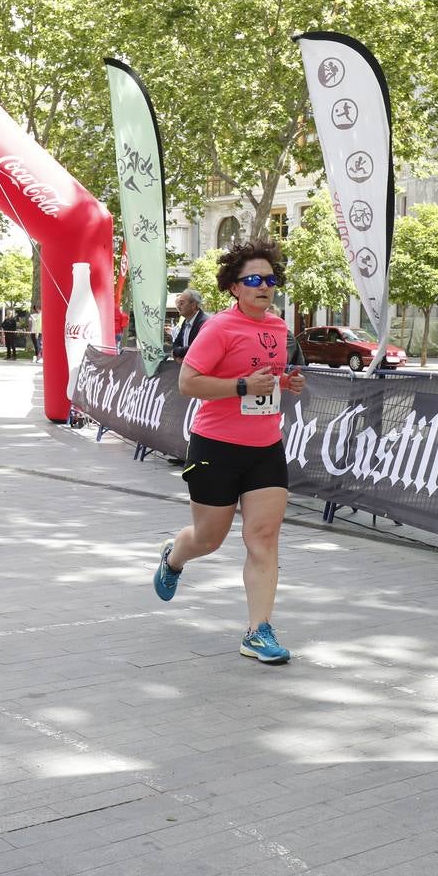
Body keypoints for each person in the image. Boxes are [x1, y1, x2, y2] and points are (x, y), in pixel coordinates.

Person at [151, 239, 305, 665]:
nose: (264, 287)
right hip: (215, 447)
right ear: (234, 287)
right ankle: (175, 555)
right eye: (253, 280)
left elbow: (265, 381)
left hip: (265, 448)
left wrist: (284, 384)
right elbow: (188, 383)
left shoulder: (277, 328)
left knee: (263, 538)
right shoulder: (219, 327)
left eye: (270, 279)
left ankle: (259, 632)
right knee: (208, 539)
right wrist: (240, 386)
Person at [171, 289, 208, 360]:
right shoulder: (186, 321)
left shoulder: (204, 323)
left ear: (193, 305)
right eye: (178, 303)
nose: (178, 306)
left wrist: (176, 352)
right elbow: (176, 342)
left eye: (181, 303)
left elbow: (196, 348)